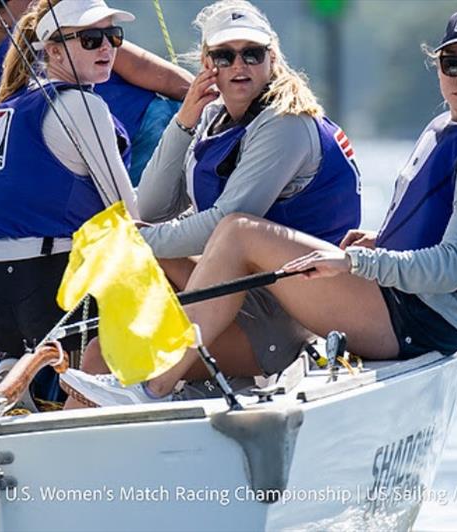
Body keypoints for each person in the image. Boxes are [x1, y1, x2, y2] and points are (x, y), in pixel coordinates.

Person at [61, 4, 457, 406]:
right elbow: (150, 207)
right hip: (389, 298)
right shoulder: (448, 126)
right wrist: (182, 125)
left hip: (418, 321)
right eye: (453, 64)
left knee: (235, 231)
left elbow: (455, 266)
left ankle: (153, 388)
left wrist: (357, 260)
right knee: (101, 355)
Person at [60, 0, 362, 407]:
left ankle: (121, 426)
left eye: (252, 54)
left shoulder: (285, 122)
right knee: (105, 337)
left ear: (272, 59)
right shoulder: (213, 117)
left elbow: (225, 223)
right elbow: (149, 208)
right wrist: (184, 119)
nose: (239, 65)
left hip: (282, 319)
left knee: (104, 353)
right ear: (206, 63)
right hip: (233, 293)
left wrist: (133, 242)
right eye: (224, 55)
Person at [0, 0, 137, 365]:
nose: (107, 47)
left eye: (113, 36)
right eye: (92, 38)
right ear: (54, 50)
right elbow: (127, 213)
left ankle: (19, 382)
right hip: (54, 291)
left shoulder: (6, 107)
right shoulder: (82, 105)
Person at [0, 0, 194, 183]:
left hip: (97, 168)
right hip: (146, 134)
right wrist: (213, 103)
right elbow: (147, 69)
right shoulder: (63, 29)